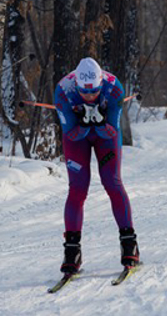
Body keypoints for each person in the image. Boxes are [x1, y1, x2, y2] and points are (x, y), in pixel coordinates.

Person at [53, 57, 140, 273]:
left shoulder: (114, 88)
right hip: (77, 139)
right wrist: (84, 122)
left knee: (112, 181)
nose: (90, 96)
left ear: (101, 84)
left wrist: (99, 121)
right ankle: (72, 250)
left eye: (94, 92)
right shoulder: (63, 90)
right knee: (78, 189)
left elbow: (111, 129)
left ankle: (129, 243)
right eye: (85, 93)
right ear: (77, 86)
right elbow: (70, 132)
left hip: (105, 138)